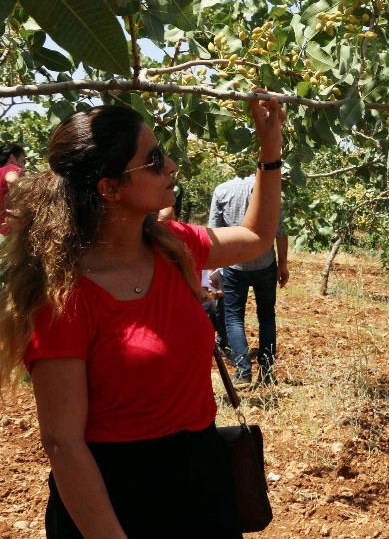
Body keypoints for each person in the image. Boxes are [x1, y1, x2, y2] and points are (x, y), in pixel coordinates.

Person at [0, 100, 285, 538]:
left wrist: (270, 152)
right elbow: (63, 443)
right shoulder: (64, 297)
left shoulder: (173, 247)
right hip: (118, 495)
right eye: (152, 159)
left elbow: (257, 236)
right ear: (110, 188)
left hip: (201, 479)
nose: (170, 164)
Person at [209, 173, 289, 387]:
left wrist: (215, 267)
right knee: (266, 315)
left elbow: (214, 232)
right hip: (265, 263)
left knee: (234, 318)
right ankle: (266, 371)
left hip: (235, 263)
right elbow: (281, 231)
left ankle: (243, 372)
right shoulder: (270, 189)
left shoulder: (222, 189)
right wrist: (283, 263)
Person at [0, 142, 26, 235]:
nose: (24, 168)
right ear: (12, 158)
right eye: (23, 162)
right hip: (9, 235)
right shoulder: (11, 168)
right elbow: (12, 179)